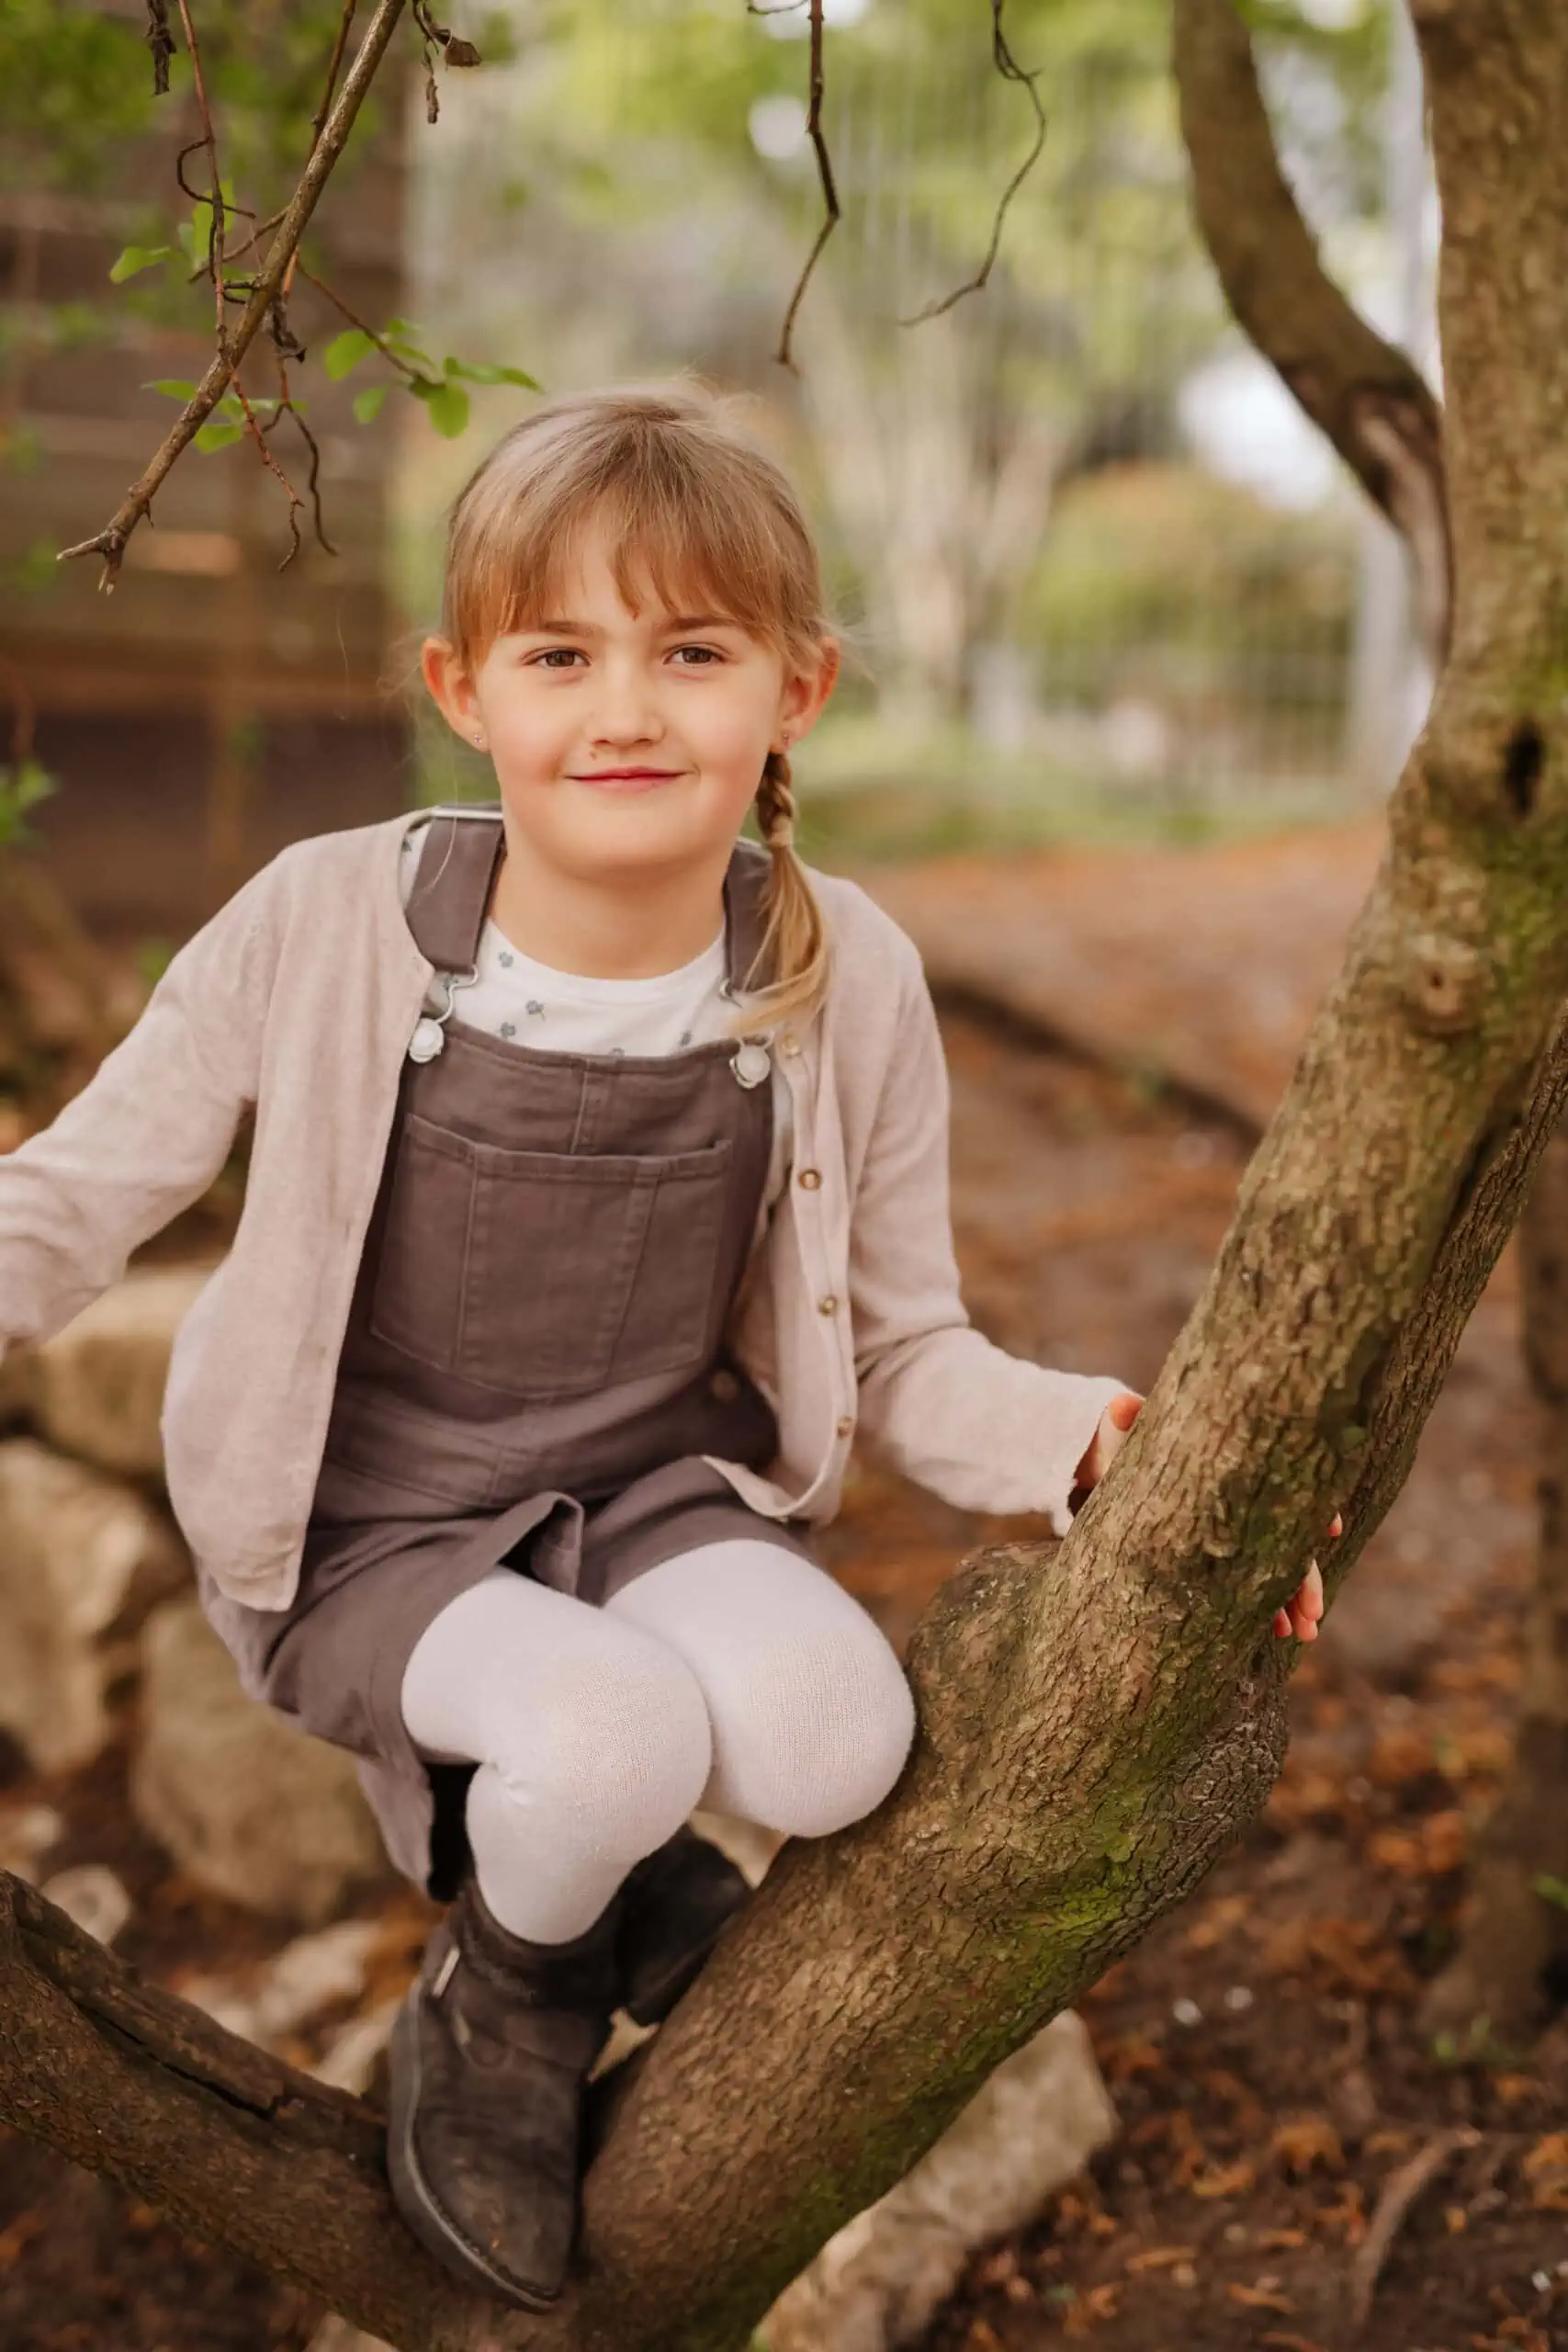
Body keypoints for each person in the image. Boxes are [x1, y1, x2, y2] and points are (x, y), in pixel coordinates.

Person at [0, 380, 1323, 2312]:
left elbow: (906, 1338)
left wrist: (1112, 1442)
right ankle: (503, 1995)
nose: (624, 708)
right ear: (467, 685)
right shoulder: (331, 921)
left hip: (645, 1490)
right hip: (365, 1521)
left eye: (690, 650)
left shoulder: (837, 965)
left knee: (833, 1738)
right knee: (611, 1735)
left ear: (796, 687)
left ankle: (581, 1880)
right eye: (562, 651)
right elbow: (79, 1191)